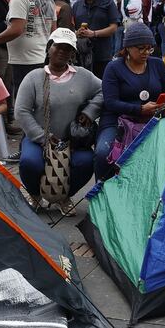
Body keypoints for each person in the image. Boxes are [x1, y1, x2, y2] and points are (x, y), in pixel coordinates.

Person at [14, 28, 103, 210]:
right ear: (48, 48)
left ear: (72, 54)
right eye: (58, 47)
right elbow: (21, 111)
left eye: (68, 48)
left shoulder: (83, 76)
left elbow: (104, 90)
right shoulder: (34, 77)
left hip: (72, 140)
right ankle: (35, 194)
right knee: (29, 162)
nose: (62, 51)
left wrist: (90, 111)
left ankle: (64, 196)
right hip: (39, 138)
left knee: (86, 162)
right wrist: (42, 137)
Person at [96, 22, 165, 180]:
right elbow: (111, 102)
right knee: (103, 152)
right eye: (140, 48)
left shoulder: (157, 65)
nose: (146, 52)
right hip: (116, 121)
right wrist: (139, 109)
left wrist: (159, 106)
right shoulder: (113, 68)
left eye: (149, 48)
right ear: (128, 47)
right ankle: (99, 193)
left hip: (150, 120)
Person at [0, 0, 57, 101]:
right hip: (43, 57)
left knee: (24, 105)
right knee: (40, 101)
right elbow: (53, 31)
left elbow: (16, 29)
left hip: (24, 60)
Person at [72, 0, 121, 79]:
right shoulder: (77, 5)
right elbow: (72, 28)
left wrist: (94, 33)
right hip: (81, 57)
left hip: (102, 56)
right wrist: (77, 32)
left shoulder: (108, 4)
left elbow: (113, 28)